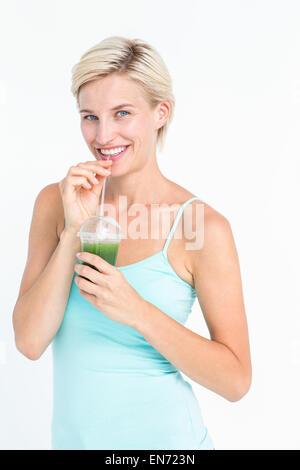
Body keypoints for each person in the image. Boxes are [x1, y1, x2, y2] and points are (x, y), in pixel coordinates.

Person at [12, 36, 252, 450]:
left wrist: (137, 311)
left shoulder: (200, 226)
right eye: (90, 117)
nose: (104, 135)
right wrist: (75, 229)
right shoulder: (56, 203)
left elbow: (235, 381)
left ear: (161, 113)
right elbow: (29, 342)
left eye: (122, 113)